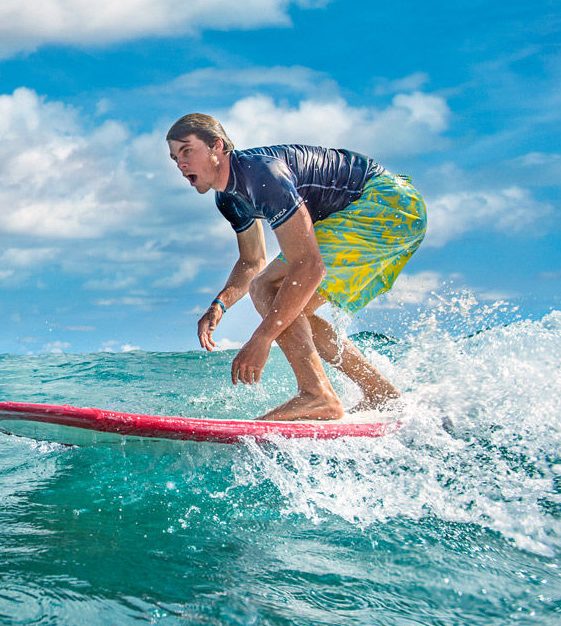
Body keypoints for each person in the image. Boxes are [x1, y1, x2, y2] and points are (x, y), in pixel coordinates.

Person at [166, 113, 427, 421]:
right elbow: (252, 261)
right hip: (395, 215)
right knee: (290, 309)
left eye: (187, 151)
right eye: (174, 158)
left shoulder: (260, 175)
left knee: (269, 289)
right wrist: (220, 305)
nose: (180, 164)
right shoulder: (229, 199)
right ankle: (380, 393)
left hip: (387, 204)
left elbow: (309, 266)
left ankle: (317, 395)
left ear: (216, 147)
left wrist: (261, 339)